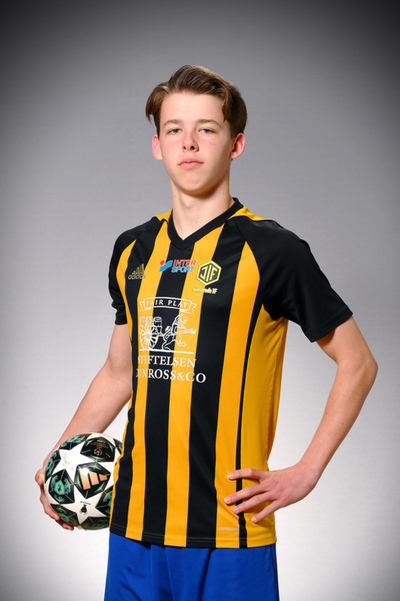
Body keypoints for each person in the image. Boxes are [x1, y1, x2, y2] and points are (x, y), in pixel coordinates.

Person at [35, 65, 378, 600]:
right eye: (174, 129)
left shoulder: (273, 250)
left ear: (235, 144)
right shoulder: (133, 249)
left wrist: (306, 472)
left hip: (228, 531)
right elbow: (120, 372)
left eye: (207, 129)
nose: (189, 142)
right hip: (132, 526)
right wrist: (58, 462)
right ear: (157, 145)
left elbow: (358, 363)